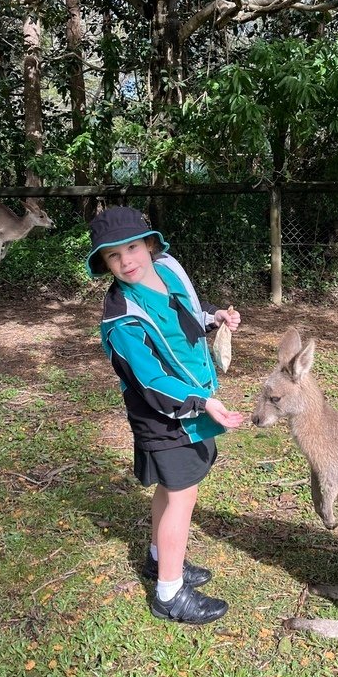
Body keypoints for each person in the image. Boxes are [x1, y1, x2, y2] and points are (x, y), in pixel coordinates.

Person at [86, 206, 245, 624]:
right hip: (162, 414)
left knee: (172, 489)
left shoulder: (168, 269)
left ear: (150, 244)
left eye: (132, 247)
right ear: (104, 264)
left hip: (192, 403)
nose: (127, 261)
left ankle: (160, 560)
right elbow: (151, 382)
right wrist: (201, 403)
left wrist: (215, 318)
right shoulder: (122, 319)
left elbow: (186, 310)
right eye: (114, 257)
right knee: (182, 497)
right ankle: (169, 594)